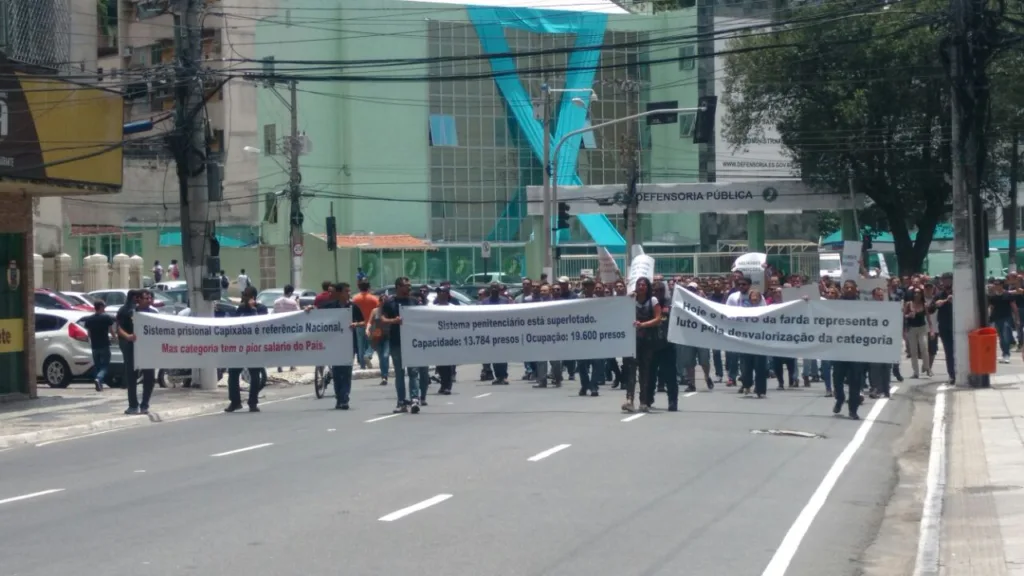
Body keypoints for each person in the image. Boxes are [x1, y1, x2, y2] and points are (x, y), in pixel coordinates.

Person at [313, 282, 364, 410]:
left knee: (346, 372)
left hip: (349, 344)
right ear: (340, 293)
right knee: (336, 372)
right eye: (347, 291)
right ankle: (339, 397)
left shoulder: (353, 307)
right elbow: (316, 316)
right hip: (334, 344)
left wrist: (355, 325)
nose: (349, 293)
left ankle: (345, 398)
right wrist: (308, 309)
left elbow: (363, 321)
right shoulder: (330, 307)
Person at [381, 277, 423, 414]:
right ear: (398, 287)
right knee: (399, 373)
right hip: (396, 342)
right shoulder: (390, 302)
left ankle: (415, 399)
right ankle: (401, 402)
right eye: (406, 286)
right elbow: (382, 318)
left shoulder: (414, 301)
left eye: (410, 286)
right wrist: (394, 321)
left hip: (412, 342)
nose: (409, 288)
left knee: (413, 372)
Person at [622, 277, 661, 413]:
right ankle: (629, 399)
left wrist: (643, 324)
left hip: (647, 340)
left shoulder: (653, 301)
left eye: (644, 284)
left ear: (647, 287)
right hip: (632, 340)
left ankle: (643, 401)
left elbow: (658, 318)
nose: (641, 286)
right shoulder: (631, 300)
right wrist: (628, 298)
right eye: (639, 284)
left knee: (645, 370)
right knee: (631, 369)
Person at [225, 286, 265, 413]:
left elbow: (261, 325)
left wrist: (253, 310)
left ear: (253, 297)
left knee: (254, 375)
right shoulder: (241, 309)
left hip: (255, 346)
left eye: (247, 296)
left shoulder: (261, 309)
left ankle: (253, 402)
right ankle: (235, 401)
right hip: (240, 347)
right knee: (233, 373)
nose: (244, 298)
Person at [83, 300, 116, 392]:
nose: (105, 308)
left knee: (97, 365)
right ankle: (99, 378)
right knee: (105, 365)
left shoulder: (89, 319)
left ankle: (99, 384)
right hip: (104, 344)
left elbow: (88, 333)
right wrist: (115, 338)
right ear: (100, 307)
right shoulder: (106, 318)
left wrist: (90, 340)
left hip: (94, 346)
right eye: (104, 307)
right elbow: (111, 330)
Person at [352, 280, 380, 370]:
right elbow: (378, 311)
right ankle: (368, 355)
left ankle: (362, 366)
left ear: (359, 287)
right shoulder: (374, 299)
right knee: (372, 343)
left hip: (359, 324)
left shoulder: (355, 298)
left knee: (360, 345)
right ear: (368, 287)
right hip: (371, 324)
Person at [273, 285, 301, 372]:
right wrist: (298, 302)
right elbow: (298, 313)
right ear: (290, 292)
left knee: (280, 347)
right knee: (291, 346)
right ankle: (292, 365)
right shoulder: (293, 302)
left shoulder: (276, 302)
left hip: (279, 327)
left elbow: (274, 313)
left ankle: (279, 365)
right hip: (290, 328)